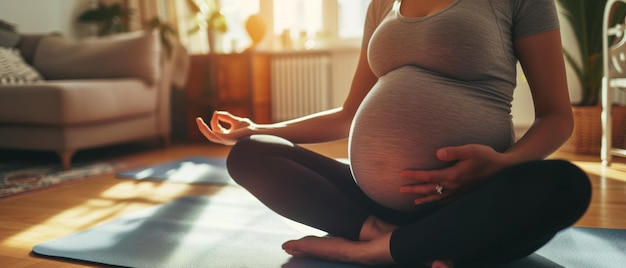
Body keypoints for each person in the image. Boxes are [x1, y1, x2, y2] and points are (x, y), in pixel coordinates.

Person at [196, 0, 592, 267]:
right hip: (371, 203)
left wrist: (501, 164)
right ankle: (381, 236)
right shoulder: (384, 3)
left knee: (568, 184)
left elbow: (557, 116)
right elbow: (349, 114)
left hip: (467, 200)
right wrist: (259, 128)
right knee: (251, 153)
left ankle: (378, 252)